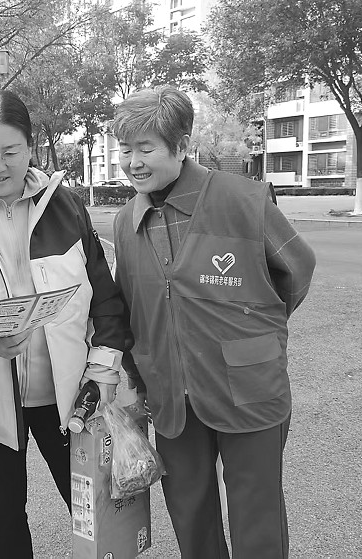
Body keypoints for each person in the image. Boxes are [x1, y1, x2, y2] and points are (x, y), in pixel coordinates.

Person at [0, 90, 128, 558]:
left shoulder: (67, 207)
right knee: (4, 513)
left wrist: (103, 369)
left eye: (10, 152)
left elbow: (106, 299)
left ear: (30, 147)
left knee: (95, 509)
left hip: (70, 395)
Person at [111, 85, 316, 559]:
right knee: (189, 511)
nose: (133, 162)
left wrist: (253, 328)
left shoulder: (244, 200)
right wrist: (137, 375)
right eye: (124, 149)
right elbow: (131, 305)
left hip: (248, 384)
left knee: (256, 512)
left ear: (182, 145)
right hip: (170, 392)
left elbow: (296, 270)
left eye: (145, 148)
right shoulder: (125, 221)